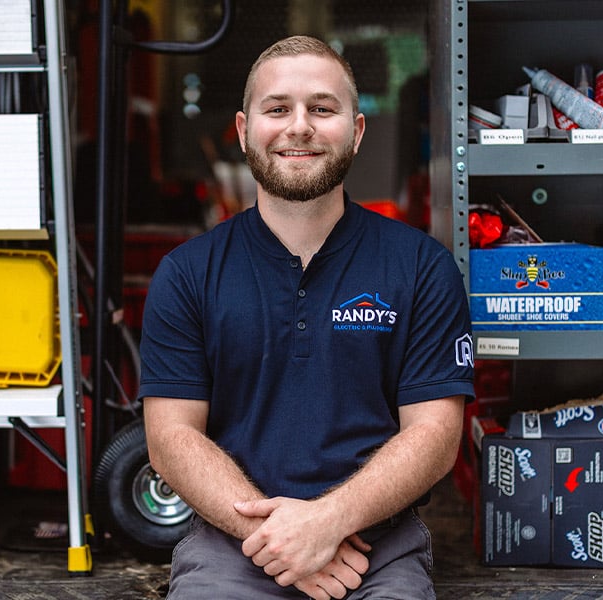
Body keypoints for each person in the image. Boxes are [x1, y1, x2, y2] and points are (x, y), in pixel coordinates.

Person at [140, 35, 475, 600]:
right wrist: (280, 541)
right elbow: (170, 436)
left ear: (357, 130)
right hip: (233, 546)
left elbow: (437, 436)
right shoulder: (186, 274)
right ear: (245, 131)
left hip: (376, 550)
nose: (300, 126)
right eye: (278, 109)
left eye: (322, 108)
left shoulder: (421, 268)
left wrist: (327, 523)